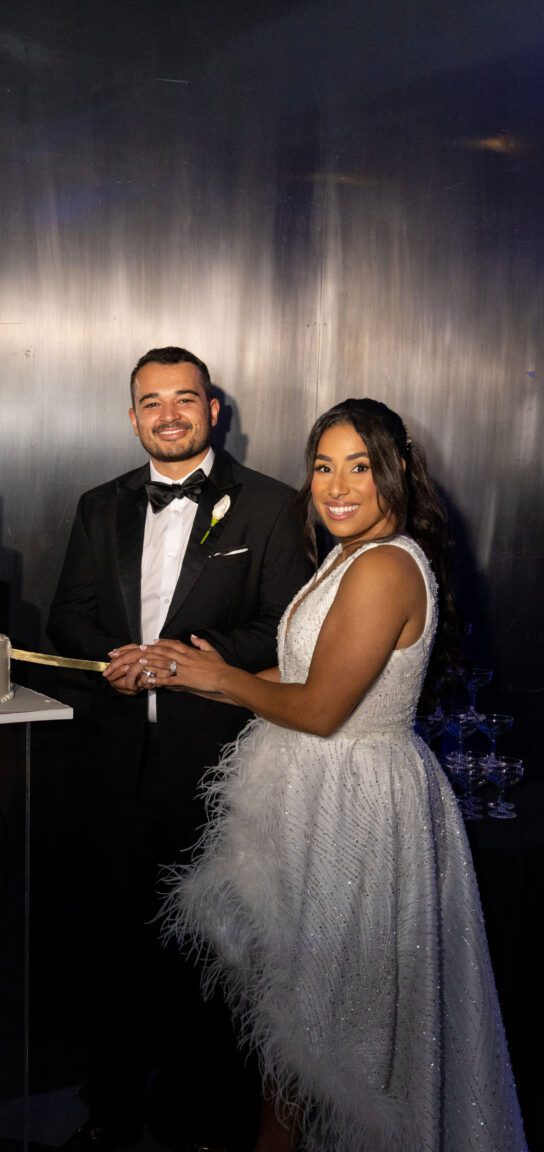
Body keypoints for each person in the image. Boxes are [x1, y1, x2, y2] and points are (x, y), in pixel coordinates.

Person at [137, 398, 528, 1152]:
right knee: (299, 1015)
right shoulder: (350, 555)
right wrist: (191, 671)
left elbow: (319, 709)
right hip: (320, 794)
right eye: (323, 467)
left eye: (359, 467)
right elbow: (302, 674)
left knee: (337, 1018)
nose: (337, 487)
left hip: (358, 806)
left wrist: (219, 680)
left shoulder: (385, 565)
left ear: (396, 473)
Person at [47, 347, 310, 1151]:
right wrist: (114, 661)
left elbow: (284, 628)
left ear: (213, 410)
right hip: (113, 766)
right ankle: (110, 1111)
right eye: (152, 402)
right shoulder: (100, 505)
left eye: (184, 399)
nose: (169, 415)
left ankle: (204, 1118)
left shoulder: (272, 506)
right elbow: (67, 617)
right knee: (111, 948)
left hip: (222, 767)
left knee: (217, 955)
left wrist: (188, 658)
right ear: (133, 417)